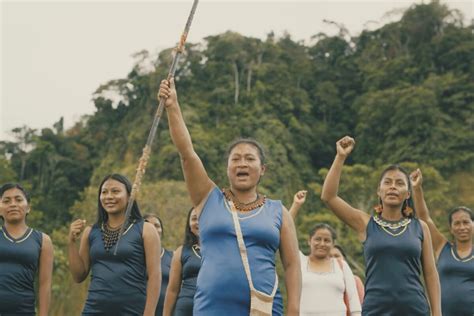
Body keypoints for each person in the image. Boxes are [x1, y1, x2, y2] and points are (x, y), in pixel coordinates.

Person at [158, 78, 301, 315]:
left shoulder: (279, 212)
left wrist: (294, 308)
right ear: (227, 168)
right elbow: (187, 154)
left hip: (262, 308)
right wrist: (173, 106)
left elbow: (292, 264)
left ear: (262, 169)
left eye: (249, 158)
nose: (242, 163)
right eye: (235, 159)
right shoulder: (208, 199)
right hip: (211, 308)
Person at [321, 136, 441, 316]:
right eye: (388, 182)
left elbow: (431, 274)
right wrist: (340, 157)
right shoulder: (365, 223)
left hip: (414, 309)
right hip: (376, 310)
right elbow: (329, 197)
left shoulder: (420, 227)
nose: (393, 187)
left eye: (400, 183)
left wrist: (437, 313)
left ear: (407, 193)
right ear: (379, 190)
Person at [68, 173, 161, 316]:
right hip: (94, 309)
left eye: (115, 191)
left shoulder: (146, 230)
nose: (109, 196)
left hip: (132, 310)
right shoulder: (90, 231)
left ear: (130, 196)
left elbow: (155, 275)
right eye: (104, 192)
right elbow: (78, 276)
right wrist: (72, 241)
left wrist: (149, 313)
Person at [410, 168, 473, 316]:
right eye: (457, 223)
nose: (462, 227)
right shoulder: (442, 248)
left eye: (466, 222)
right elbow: (424, 218)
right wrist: (417, 189)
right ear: (451, 228)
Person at [289, 190, 361, 316]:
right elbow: (286, 234)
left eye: (327, 240)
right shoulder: (299, 262)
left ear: (333, 244)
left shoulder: (341, 265)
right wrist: (296, 205)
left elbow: (354, 302)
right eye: (317, 239)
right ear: (309, 241)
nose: (322, 244)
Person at [0, 183, 54, 316]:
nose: (13, 204)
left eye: (18, 200)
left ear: (28, 207)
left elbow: (45, 285)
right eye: (6, 201)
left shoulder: (43, 240)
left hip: (25, 311)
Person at [163, 208, 201, 316]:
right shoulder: (181, 251)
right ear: (189, 224)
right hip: (185, 308)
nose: (198, 222)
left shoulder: (220, 249)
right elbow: (172, 290)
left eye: (202, 218)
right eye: (194, 219)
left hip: (212, 307)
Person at [144, 213, 174, 316]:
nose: (153, 229)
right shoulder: (135, 258)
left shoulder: (173, 257)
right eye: (149, 225)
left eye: (157, 225)